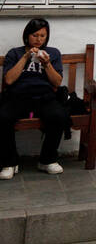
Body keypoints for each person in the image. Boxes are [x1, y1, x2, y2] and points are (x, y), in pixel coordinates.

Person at [1, 17, 67, 178]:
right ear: (27, 36)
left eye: (42, 36)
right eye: (35, 35)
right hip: (18, 97)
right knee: (2, 117)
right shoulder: (14, 53)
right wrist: (25, 57)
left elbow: (57, 82)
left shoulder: (53, 53)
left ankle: (47, 160)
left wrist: (47, 64)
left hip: (44, 97)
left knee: (58, 115)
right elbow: (9, 80)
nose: (38, 40)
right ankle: (9, 163)